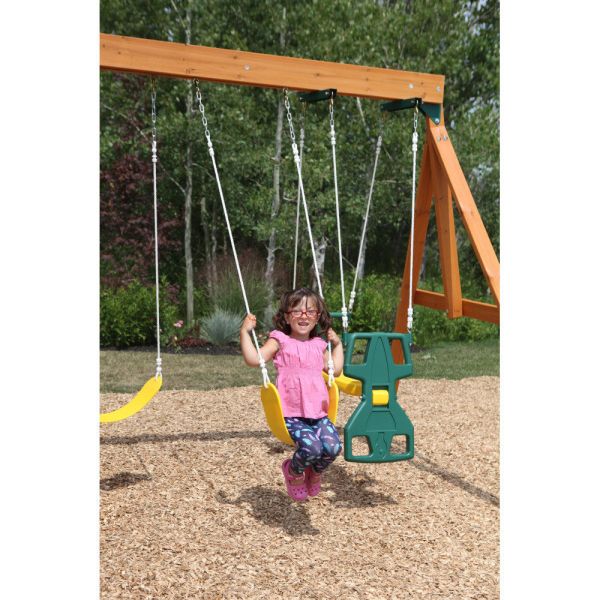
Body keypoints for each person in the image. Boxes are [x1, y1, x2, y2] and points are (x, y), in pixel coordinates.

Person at [240, 287, 344, 501]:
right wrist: (245, 332)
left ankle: (315, 473)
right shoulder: (280, 340)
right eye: (297, 311)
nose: (304, 316)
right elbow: (254, 359)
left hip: (318, 415)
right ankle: (294, 472)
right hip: (292, 416)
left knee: (333, 448)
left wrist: (337, 344)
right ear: (287, 317)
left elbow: (336, 370)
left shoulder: (319, 345)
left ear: (317, 317)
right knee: (312, 448)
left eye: (310, 311)